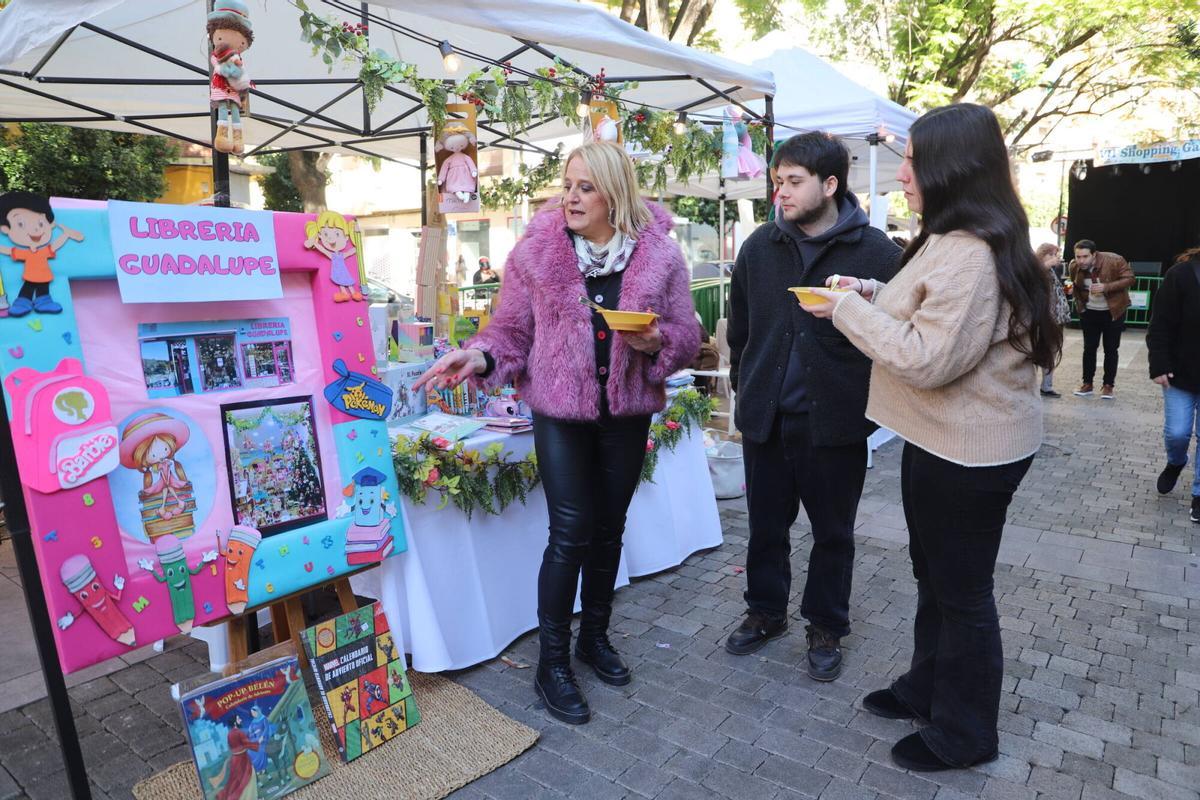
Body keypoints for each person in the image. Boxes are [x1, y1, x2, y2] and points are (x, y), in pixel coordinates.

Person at [800, 103, 1061, 771]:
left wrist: (848, 310)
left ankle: (967, 733)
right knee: (933, 576)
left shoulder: (972, 252)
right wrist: (868, 291)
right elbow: (927, 310)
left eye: (913, 161)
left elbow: (927, 357)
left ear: (953, 167)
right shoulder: (951, 238)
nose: (901, 174)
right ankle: (927, 687)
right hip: (938, 438)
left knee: (962, 592)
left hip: (970, 451)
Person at [413, 141, 700, 725]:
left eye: (585, 187)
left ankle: (594, 637)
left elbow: (686, 333)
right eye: (568, 185)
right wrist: (480, 356)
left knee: (609, 529)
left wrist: (658, 343)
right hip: (559, 412)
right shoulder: (535, 254)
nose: (571, 197)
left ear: (614, 194)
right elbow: (510, 332)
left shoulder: (660, 257)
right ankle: (552, 663)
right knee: (570, 532)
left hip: (626, 411)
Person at [724, 132, 901, 682]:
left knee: (833, 533)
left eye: (793, 182)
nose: (780, 192)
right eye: (777, 181)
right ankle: (765, 612)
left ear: (829, 185)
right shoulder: (759, 246)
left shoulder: (877, 253)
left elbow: (898, 332)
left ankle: (826, 626)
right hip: (766, 419)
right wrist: (746, 388)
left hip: (836, 422)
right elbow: (741, 331)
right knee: (765, 527)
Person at [1146, 247, 1200, 524]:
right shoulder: (1181, 275)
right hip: (1180, 373)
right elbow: (1160, 324)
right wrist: (1159, 364)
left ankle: (1199, 495)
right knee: (1177, 433)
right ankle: (1176, 461)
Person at [1068, 239, 1133, 399]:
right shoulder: (1074, 266)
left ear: (1094, 255)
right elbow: (1076, 286)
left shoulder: (1114, 260)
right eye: (1078, 256)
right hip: (1089, 312)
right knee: (1089, 348)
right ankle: (1087, 383)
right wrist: (1078, 301)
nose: (1081, 261)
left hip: (1113, 311)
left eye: (1085, 256)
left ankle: (1108, 385)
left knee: (1111, 349)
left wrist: (1106, 287)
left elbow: (1130, 278)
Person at [1035, 243, 1070, 397]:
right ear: (1042, 255)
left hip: (1056, 318)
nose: (1055, 258)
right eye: (1051, 254)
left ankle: (1047, 386)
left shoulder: (1053, 270)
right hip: (1042, 318)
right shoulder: (1034, 268)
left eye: (1056, 255)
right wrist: (1045, 265)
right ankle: (1030, 385)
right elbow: (1031, 279)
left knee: (1051, 351)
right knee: (1036, 351)